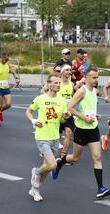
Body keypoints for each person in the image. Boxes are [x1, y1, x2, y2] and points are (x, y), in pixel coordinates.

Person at [51, 65, 110, 199]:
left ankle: (100, 188)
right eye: (93, 77)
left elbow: (88, 108)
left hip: (93, 129)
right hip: (81, 129)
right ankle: (59, 163)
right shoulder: (82, 91)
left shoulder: (94, 91)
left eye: (97, 77)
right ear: (86, 78)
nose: (96, 80)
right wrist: (84, 118)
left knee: (97, 157)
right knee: (75, 158)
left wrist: (95, 116)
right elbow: (70, 108)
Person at [26, 73, 70, 202]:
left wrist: (65, 117)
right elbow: (28, 111)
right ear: (49, 84)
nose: (58, 85)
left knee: (46, 166)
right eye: (55, 83)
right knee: (52, 165)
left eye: (59, 83)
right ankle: (36, 173)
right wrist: (33, 121)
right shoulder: (40, 98)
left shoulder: (62, 101)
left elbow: (61, 120)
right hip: (42, 136)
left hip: (55, 136)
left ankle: (35, 190)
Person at [0, 52, 20, 127]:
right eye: (5, 59)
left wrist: (16, 78)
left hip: (6, 87)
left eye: (7, 59)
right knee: (0, 105)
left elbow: (13, 72)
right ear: (1, 58)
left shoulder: (8, 64)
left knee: (8, 104)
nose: (6, 60)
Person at [57, 64, 75, 159]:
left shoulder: (71, 84)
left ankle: (63, 155)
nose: (69, 72)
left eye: (70, 70)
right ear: (62, 72)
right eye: (67, 70)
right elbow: (44, 92)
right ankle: (48, 152)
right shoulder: (57, 82)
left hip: (68, 113)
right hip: (57, 113)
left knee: (69, 133)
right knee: (56, 136)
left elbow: (72, 98)